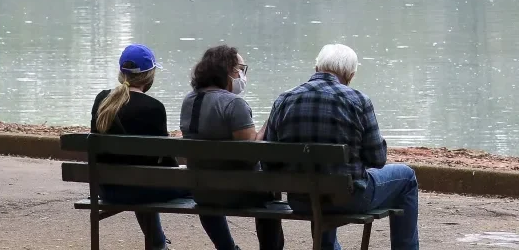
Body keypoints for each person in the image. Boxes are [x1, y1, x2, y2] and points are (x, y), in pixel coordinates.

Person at [262, 44, 419, 250]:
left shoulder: (283, 100)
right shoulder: (358, 100)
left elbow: (269, 162)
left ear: (316, 67)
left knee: (322, 178)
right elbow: (378, 159)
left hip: (300, 200)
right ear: (351, 75)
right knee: (406, 177)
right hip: (349, 199)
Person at [90, 44, 230, 250]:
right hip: (140, 188)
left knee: (142, 177)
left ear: (122, 72)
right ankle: (228, 247)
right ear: (149, 76)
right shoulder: (154, 108)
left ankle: (158, 244)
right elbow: (165, 164)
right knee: (201, 186)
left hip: (107, 189)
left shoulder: (102, 100)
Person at [179, 45, 285, 250]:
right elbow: (250, 155)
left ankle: (227, 248)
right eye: (240, 69)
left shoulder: (188, 101)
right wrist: (268, 125)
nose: (242, 75)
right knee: (271, 190)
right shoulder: (234, 104)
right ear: (227, 71)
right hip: (241, 192)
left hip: (202, 190)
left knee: (210, 189)